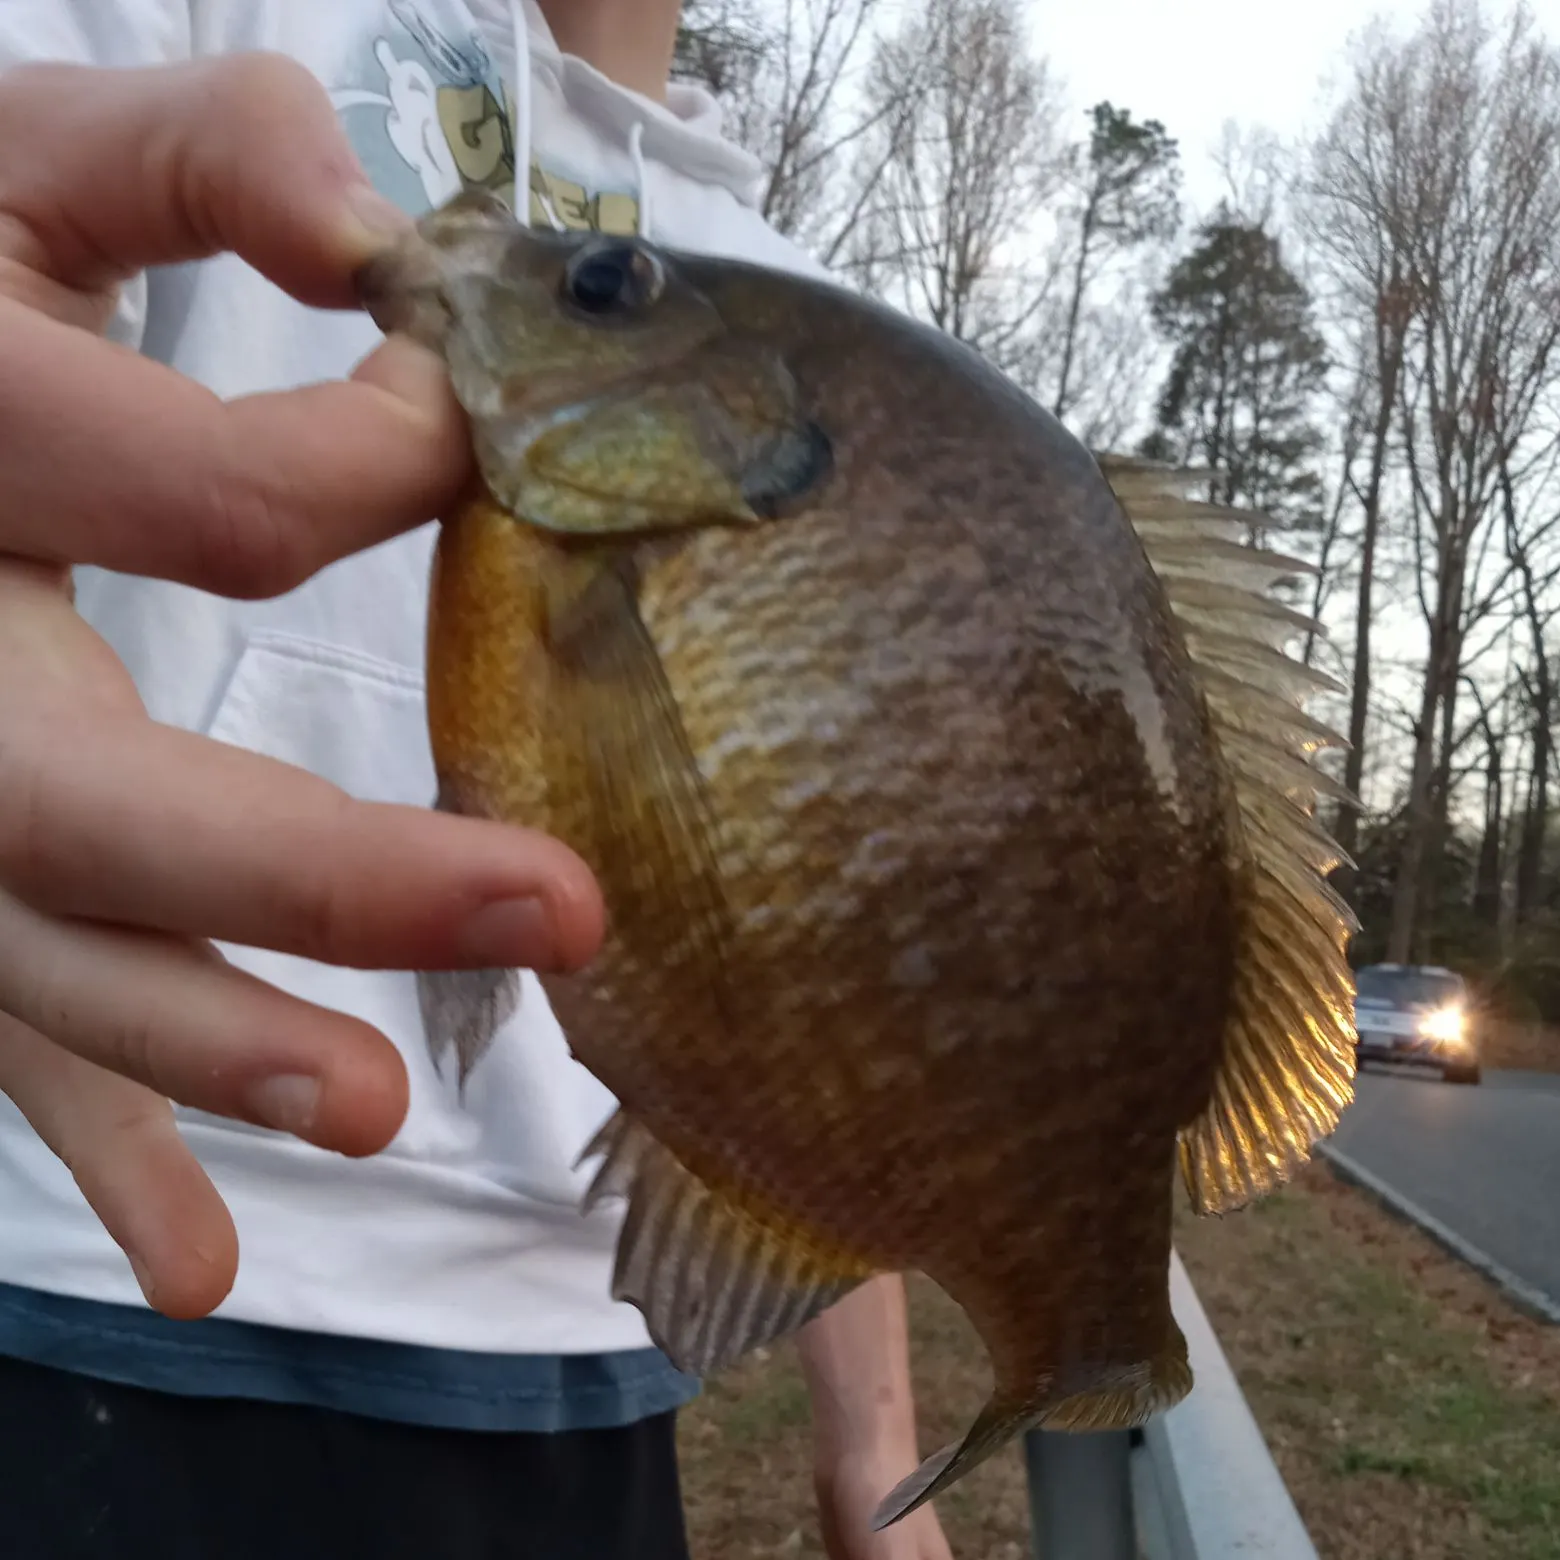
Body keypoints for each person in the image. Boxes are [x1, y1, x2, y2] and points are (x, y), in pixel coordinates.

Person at [0, 3, 955, 1558]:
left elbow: (827, 934)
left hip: (584, 1359)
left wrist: (880, 1448)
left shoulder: (815, 330)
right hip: (85, 1270)